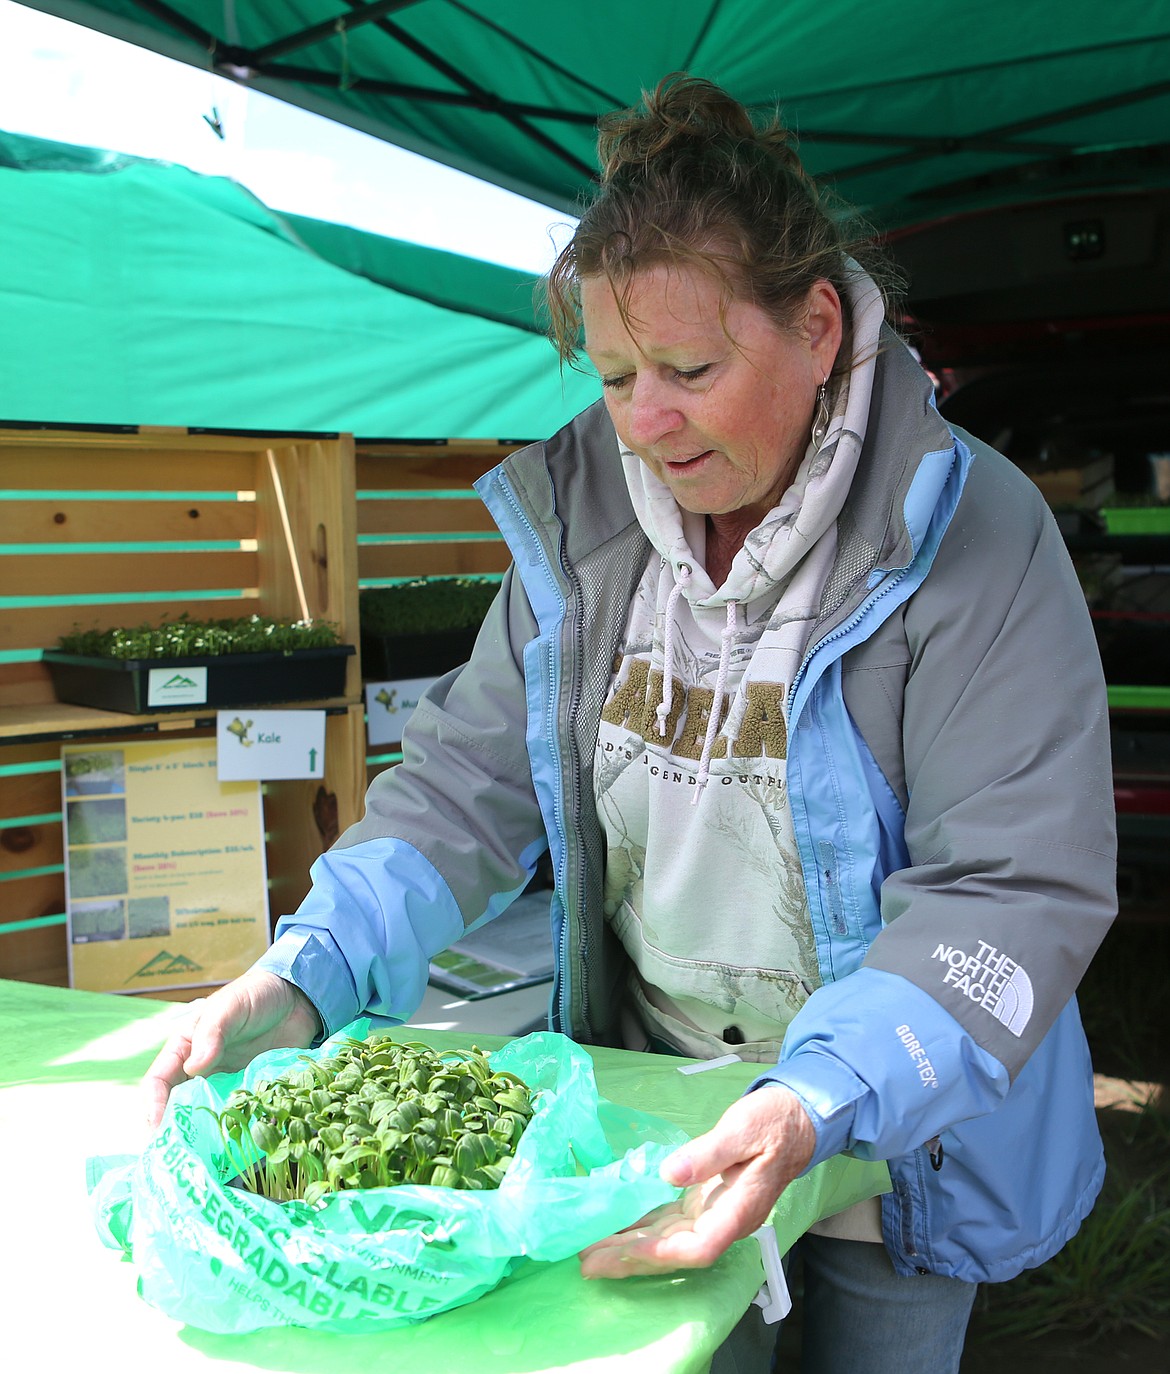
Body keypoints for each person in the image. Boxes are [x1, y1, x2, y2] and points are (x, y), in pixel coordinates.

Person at [143, 75, 1117, 1373]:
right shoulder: (585, 531)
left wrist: (813, 1095)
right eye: (615, 376)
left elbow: (1010, 885)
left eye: (690, 369)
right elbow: (458, 791)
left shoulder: (970, 535)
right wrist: (305, 966)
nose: (644, 422)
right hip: (665, 1114)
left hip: (897, 1119)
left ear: (817, 327)